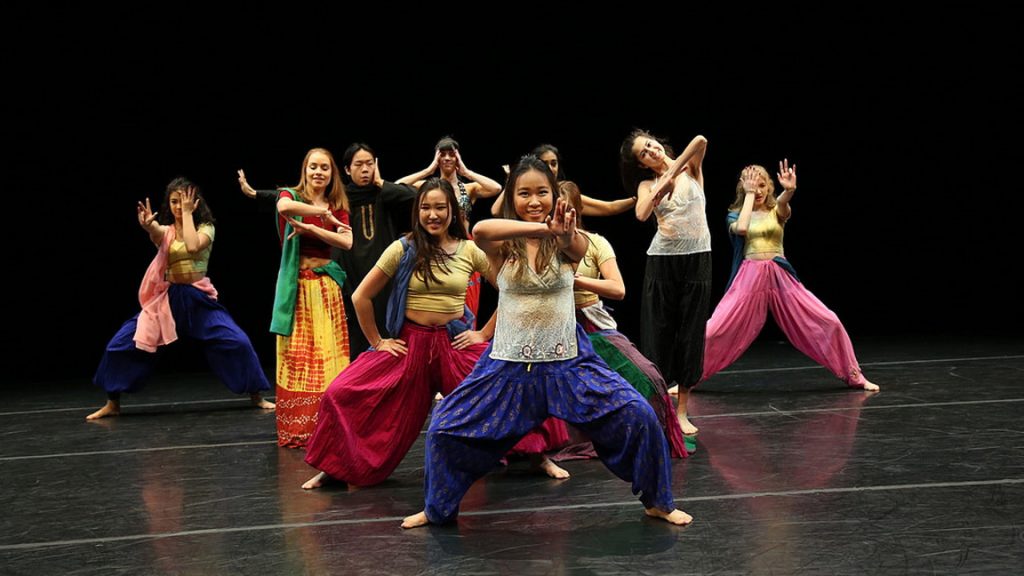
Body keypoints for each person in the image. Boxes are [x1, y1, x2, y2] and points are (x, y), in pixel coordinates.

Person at [402, 156, 691, 529]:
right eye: (524, 193)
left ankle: (658, 502)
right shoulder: (502, 246)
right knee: (444, 428)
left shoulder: (570, 238)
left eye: (542, 192)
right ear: (512, 198)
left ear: (556, 196)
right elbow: (484, 229)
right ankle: (437, 509)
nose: (534, 201)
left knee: (639, 416)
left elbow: (575, 248)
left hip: (566, 362)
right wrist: (537, 230)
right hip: (507, 366)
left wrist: (560, 233)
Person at [302, 178, 497, 488]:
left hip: (454, 344)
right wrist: (378, 342)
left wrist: (484, 333)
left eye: (440, 208)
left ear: (452, 211)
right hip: (410, 345)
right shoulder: (403, 248)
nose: (433, 215)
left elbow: (512, 291)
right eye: (426, 208)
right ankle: (336, 466)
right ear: (417, 211)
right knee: (340, 392)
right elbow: (360, 296)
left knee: (509, 384)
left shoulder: (469, 250)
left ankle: (536, 457)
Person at [88, 177, 273, 420]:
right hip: (169, 299)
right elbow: (157, 232)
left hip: (198, 299)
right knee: (121, 344)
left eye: (184, 200)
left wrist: (187, 214)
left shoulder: (207, 227)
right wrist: (147, 226)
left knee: (237, 341)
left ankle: (256, 396)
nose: (178, 205)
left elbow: (194, 246)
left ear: (196, 201)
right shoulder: (167, 232)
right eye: (174, 201)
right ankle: (113, 403)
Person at [701, 161, 879, 392]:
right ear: (743, 188)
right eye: (753, 185)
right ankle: (689, 379)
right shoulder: (734, 216)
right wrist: (749, 194)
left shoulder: (776, 211)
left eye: (762, 184)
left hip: (780, 277)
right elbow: (742, 228)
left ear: (769, 187)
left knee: (830, 320)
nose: (758, 190)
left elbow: (783, 205)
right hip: (749, 278)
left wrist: (790, 190)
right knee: (714, 329)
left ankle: (855, 376)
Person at [238, 143, 418, 355]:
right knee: (311, 341)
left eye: (369, 164)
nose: (365, 169)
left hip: (369, 269)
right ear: (347, 170)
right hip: (342, 269)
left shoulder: (374, 196)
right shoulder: (329, 200)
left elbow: (413, 194)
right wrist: (255, 194)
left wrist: (380, 182)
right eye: (359, 164)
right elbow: (284, 200)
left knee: (357, 330)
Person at [559, 184, 690, 457]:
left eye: (568, 208)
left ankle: (652, 434)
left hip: (594, 326)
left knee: (649, 379)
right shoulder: (538, 243)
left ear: (578, 210)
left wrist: (578, 280)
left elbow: (618, 289)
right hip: (557, 332)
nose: (563, 214)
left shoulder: (595, 242)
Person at [620, 131, 710, 436]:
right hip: (663, 261)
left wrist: (673, 169)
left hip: (698, 258)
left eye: (650, 144)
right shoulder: (647, 183)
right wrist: (662, 184)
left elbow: (699, 140)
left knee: (691, 331)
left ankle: (682, 410)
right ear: (642, 164)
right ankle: (660, 411)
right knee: (659, 332)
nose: (651, 150)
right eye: (643, 153)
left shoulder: (692, 168)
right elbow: (642, 213)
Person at [270, 148, 354, 448]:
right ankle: (301, 429)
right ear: (304, 170)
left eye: (325, 168)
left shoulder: (338, 205)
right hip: (298, 290)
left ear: (332, 174)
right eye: (313, 167)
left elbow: (347, 239)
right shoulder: (290, 195)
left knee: (329, 358)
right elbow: (283, 209)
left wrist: (314, 230)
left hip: (326, 289)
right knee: (298, 358)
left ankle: (329, 424)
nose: (319, 173)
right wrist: (320, 215)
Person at [397, 136, 503, 323]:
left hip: (464, 247)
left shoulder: (468, 189)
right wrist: (429, 169)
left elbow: (496, 188)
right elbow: (398, 186)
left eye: (451, 154)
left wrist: (466, 171)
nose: (447, 158)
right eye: (442, 154)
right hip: (435, 246)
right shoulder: (429, 188)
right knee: (442, 297)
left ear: (457, 158)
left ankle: (466, 341)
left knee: (467, 300)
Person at [491, 143, 637, 218]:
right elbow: (496, 211)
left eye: (553, 163)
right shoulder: (525, 194)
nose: (550, 168)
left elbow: (609, 207)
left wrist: (639, 198)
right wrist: (512, 180)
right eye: (544, 163)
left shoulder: (565, 191)